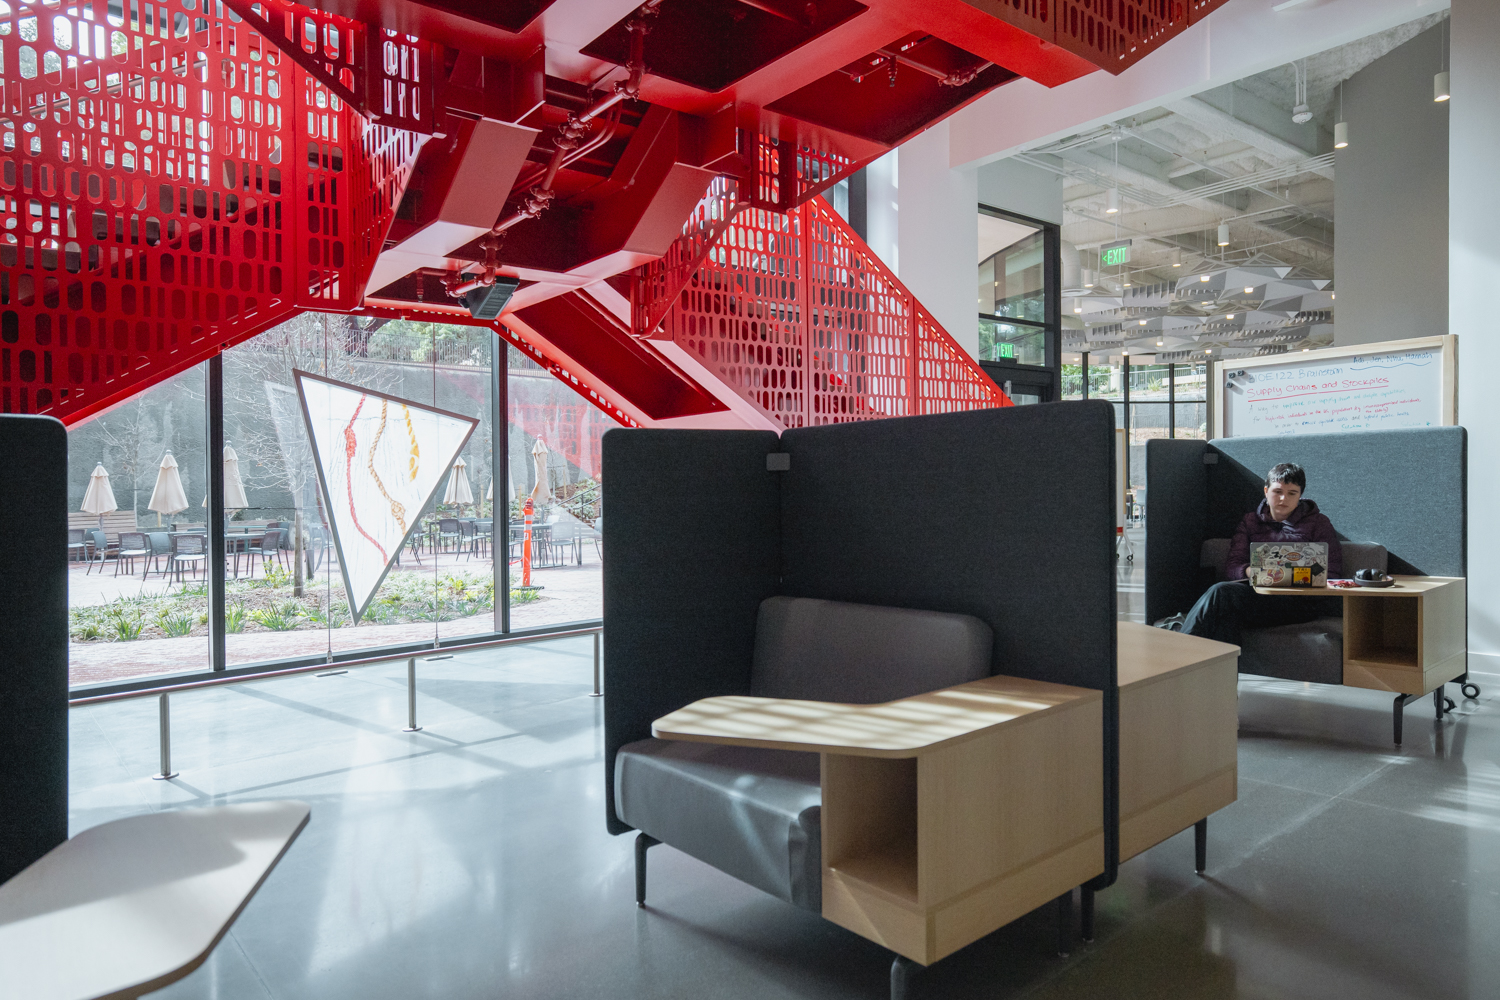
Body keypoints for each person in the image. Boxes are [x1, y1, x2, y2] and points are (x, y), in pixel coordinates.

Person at [1172, 463, 1343, 647]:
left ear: (1300, 495)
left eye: (1292, 493)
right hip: (1259, 597)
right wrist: (1252, 572)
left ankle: (1181, 653)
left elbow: (1331, 573)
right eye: (1277, 491)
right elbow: (1233, 567)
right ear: (1266, 491)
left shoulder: (1318, 523)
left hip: (1299, 603)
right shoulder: (1250, 521)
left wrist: (1297, 575)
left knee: (1220, 593)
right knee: (1225, 613)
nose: (1283, 498)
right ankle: (1224, 673)